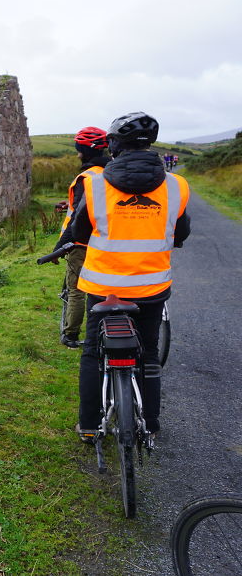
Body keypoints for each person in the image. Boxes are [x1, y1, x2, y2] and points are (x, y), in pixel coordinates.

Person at [69, 112, 191, 443]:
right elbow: (181, 233)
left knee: (94, 353)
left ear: (114, 146)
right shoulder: (176, 185)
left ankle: (90, 426)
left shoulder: (94, 184)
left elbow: (80, 233)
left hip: (103, 286)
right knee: (148, 353)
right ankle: (150, 424)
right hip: (152, 286)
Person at [52, 127, 112, 348]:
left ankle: (70, 335)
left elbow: (79, 215)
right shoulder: (112, 172)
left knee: (76, 290)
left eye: (78, 150)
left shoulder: (85, 177)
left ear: (84, 151)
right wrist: (69, 203)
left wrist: (60, 247)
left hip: (80, 242)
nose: (77, 154)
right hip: (105, 241)